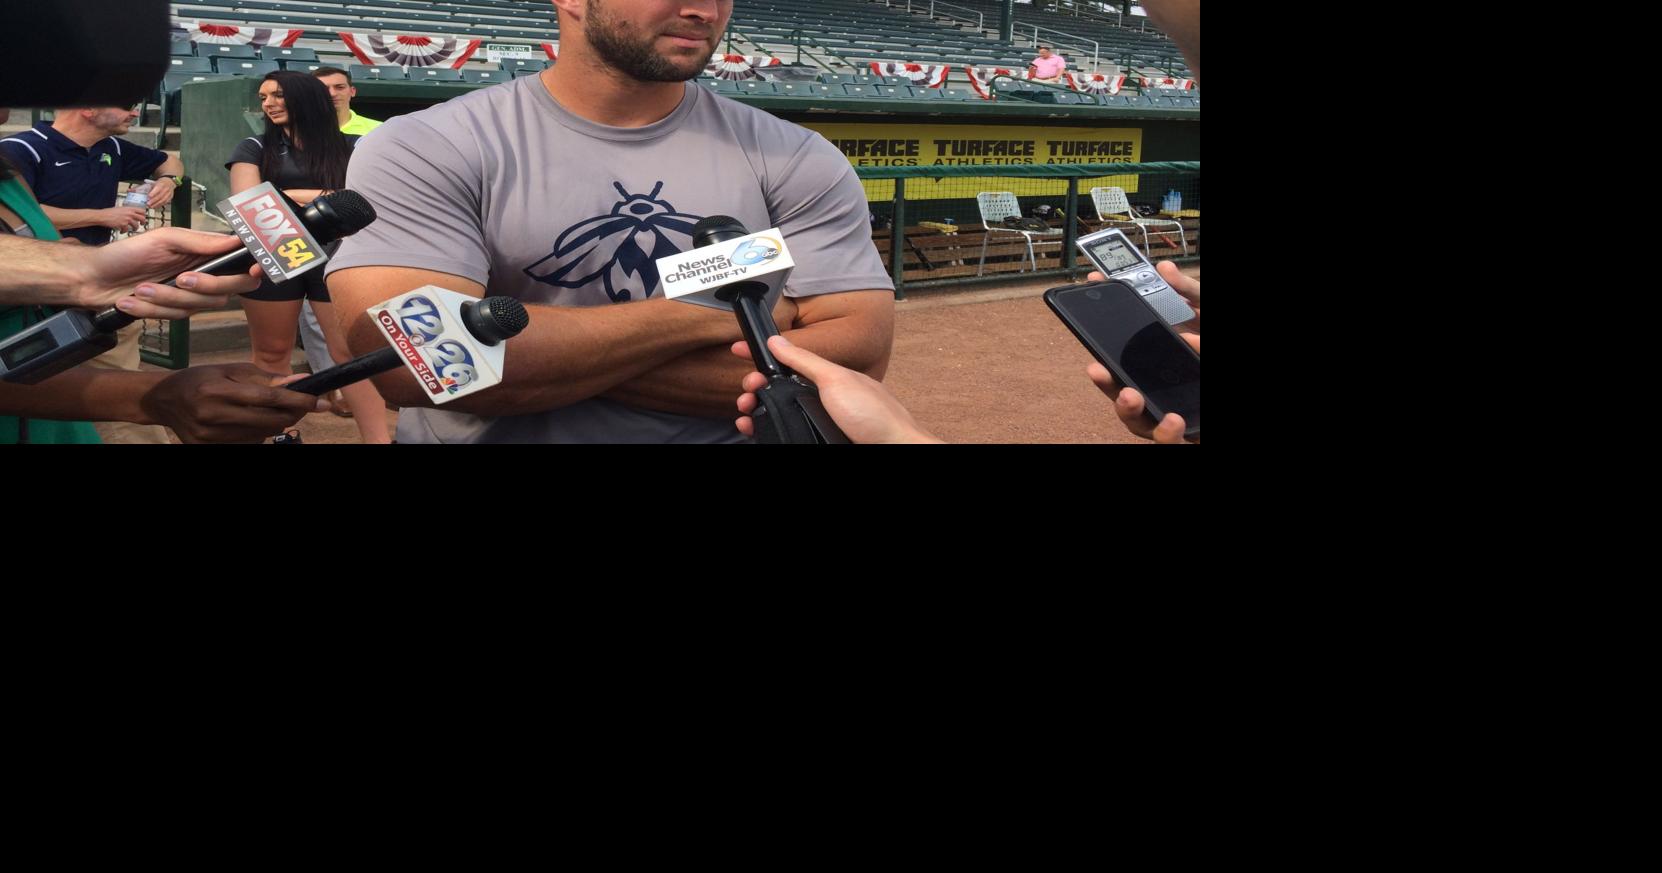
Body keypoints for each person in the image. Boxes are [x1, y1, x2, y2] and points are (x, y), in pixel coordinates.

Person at [325, 0, 895, 444]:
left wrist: (540, 366)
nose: (705, 11)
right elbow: (411, 359)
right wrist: (713, 321)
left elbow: (857, 358)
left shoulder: (796, 155)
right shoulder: (427, 145)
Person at [2, 103, 188, 442]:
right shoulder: (20, 149)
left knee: (118, 388)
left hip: (102, 290)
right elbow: (24, 213)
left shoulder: (112, 146)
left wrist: (169, 180)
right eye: (127, 105)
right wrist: (100, 216)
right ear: (88, 108)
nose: (135, 113)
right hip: (37, 301)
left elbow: (170, 160)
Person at [227, 71, 391, 443]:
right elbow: (249, 204)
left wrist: (282, 193)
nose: (268, 103)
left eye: (279, 95)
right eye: (264, 96)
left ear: (305, 98)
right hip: (271, 255)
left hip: (339, 257)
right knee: (271, 354)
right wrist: (328, 196)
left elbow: (365, 202)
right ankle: (283, 434)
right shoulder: (253, 146)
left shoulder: (355, 145)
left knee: (349, 353)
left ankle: (378, 439)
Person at [297, 66, 386, 419]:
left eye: (339, 86)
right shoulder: (300, 134)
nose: (332, 93)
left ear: (353, 91)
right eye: (323, 88)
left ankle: (374, 384)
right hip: (315, 233)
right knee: (315, 315)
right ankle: (332, 385)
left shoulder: (376, 131)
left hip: (364, 230)